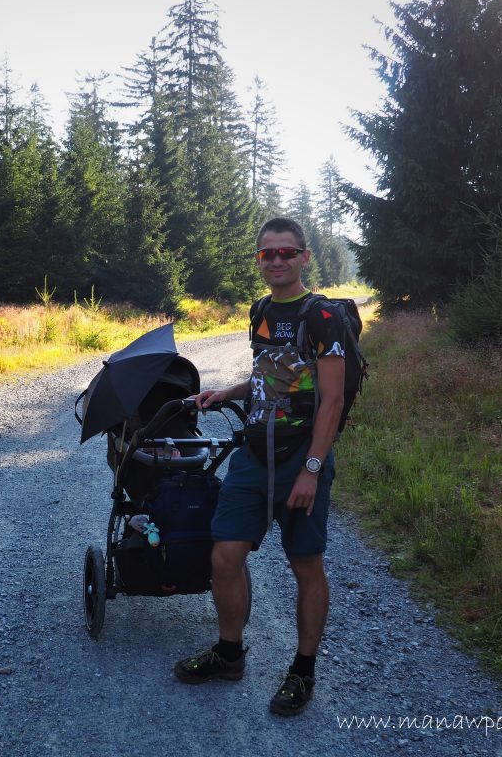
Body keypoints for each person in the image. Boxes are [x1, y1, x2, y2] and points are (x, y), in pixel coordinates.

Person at [173, 216, 346, 717]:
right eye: (266, 254)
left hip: (300, 459)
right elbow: (269, 380)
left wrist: (312, 469)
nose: (276, 261)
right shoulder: (261, 312)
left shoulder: (323, 319)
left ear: (303, 257)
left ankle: (302, 671)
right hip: (254, 455)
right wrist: (224, 392)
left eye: (285, 252)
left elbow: (331, 402)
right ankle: (229, 655)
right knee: (225, 556)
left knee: (305, 565)